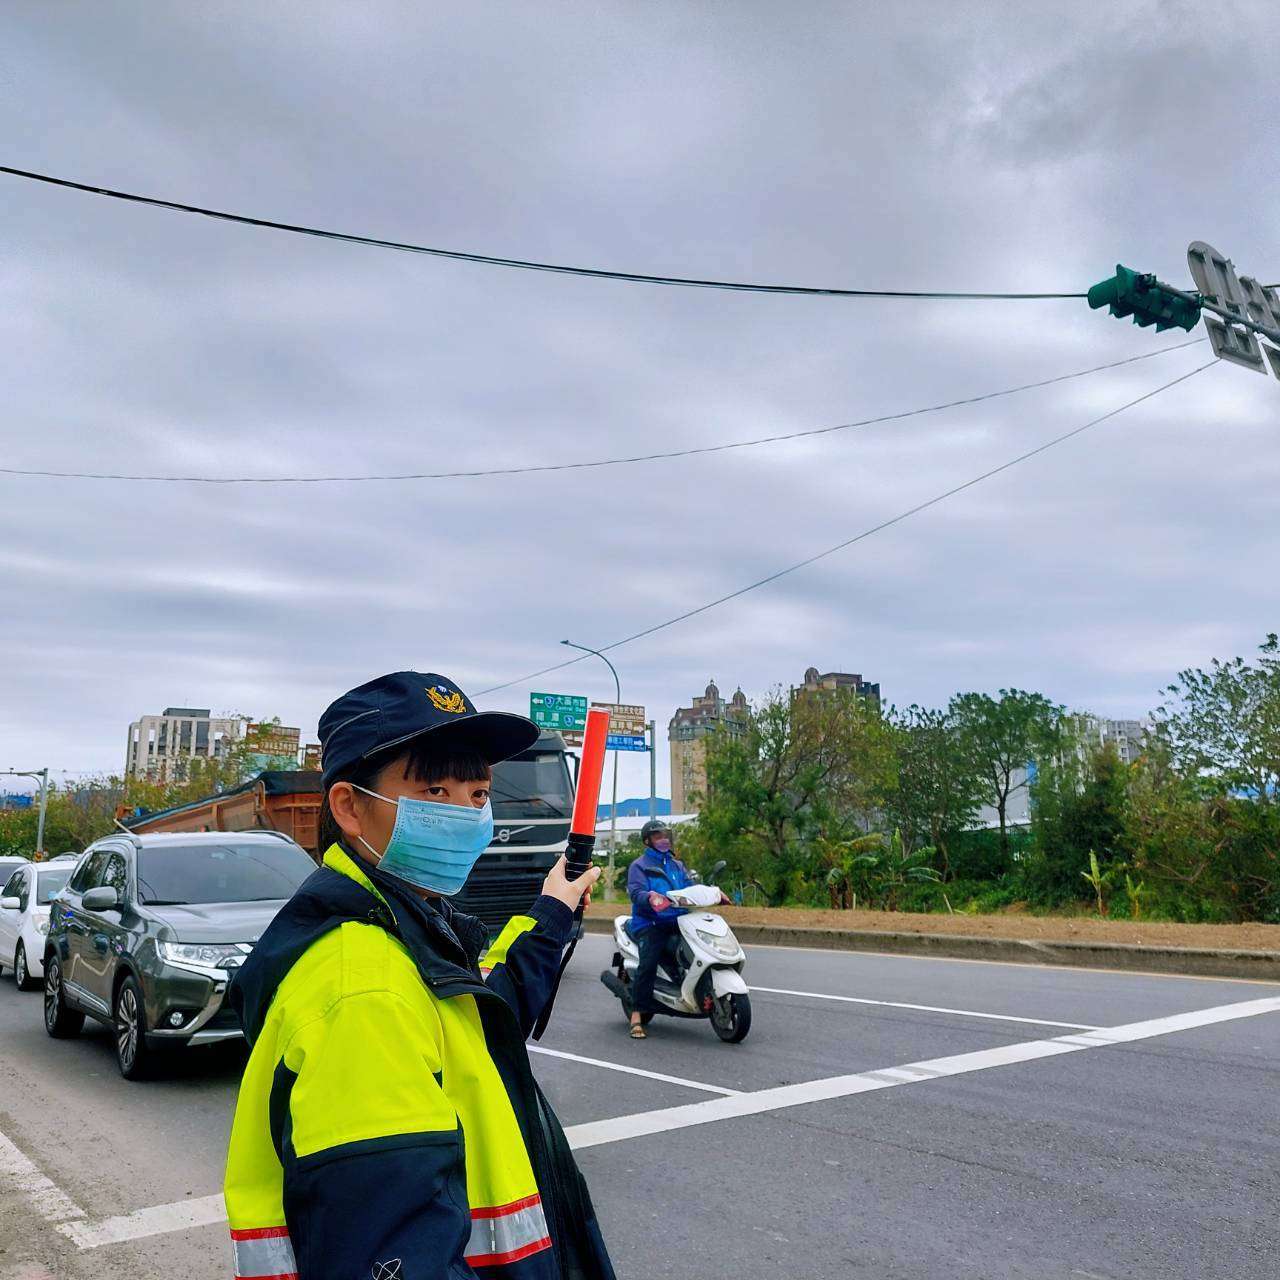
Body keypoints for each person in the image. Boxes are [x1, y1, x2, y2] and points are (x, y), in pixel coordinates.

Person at [223, 671, 616, 1280]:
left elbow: (483, 1010)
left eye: (478, 794)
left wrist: (552, 912)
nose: (464, 814)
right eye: (435, 791)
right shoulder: (363, 991)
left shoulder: (409, 929)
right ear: (351, 807)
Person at [624, 819, 693, 1040]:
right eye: (657, 836)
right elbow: (635, 892)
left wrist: (712, 893)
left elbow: (691, 888)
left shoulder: (677, 865)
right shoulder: (640, 866)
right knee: (648, 964)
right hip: (650, 923)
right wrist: (650, 897)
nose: (663, 840)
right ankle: (636, 1015)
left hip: (678, 921)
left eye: (665, 836)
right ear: (647, 841)